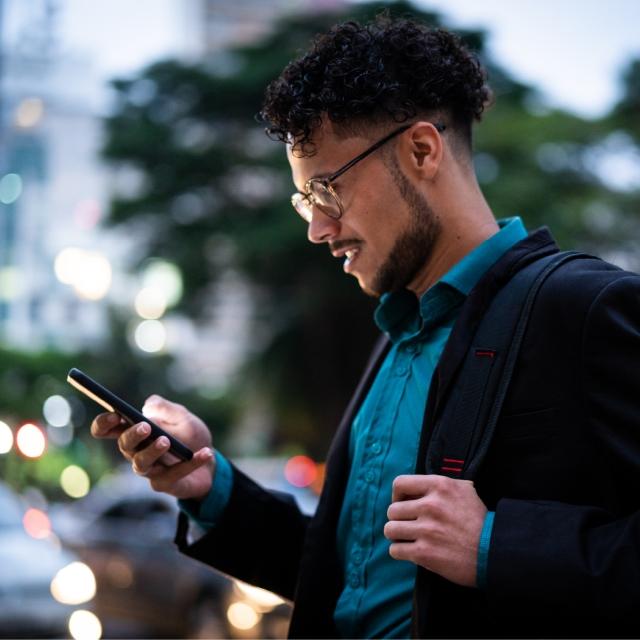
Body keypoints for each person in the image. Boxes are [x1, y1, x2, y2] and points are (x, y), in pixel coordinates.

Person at [91, 14, 640, 639]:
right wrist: (209, 486)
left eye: (328, 190)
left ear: (422, 150)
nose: (317, 229)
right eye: (306, 201)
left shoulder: (587, 307)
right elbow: (347, 578)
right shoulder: (398, 339)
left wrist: (497, 546)